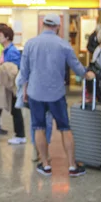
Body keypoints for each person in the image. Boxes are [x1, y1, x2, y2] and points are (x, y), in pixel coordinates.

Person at [21, 14, 95, 178]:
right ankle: (72, 166)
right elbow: (77, 67)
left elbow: (24, 71)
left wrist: (25, 90)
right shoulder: (64, 45)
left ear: (42, 24)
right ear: (58, 27)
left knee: (38, 127)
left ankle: (45, 165)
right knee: (64, 128)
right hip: (56, 93)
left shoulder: (30, 44)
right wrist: (86, 74)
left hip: (36, 92)